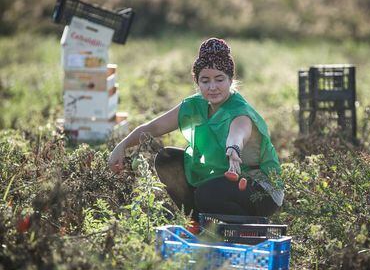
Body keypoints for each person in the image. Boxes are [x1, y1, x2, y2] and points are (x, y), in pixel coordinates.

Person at [108, 38, 284, 225]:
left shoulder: (240, 111)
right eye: (205, 81)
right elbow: (153, 128)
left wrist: (234, 149)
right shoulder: (195, 105)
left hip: (261, 190)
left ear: (231, 79)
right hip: (223, 179)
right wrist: (122, 145)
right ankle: (198, 224)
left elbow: (239, 131)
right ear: (197, 81)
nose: (212, 87)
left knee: (207, 194)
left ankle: (242, 230)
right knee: (167, 159)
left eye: (219, 79)